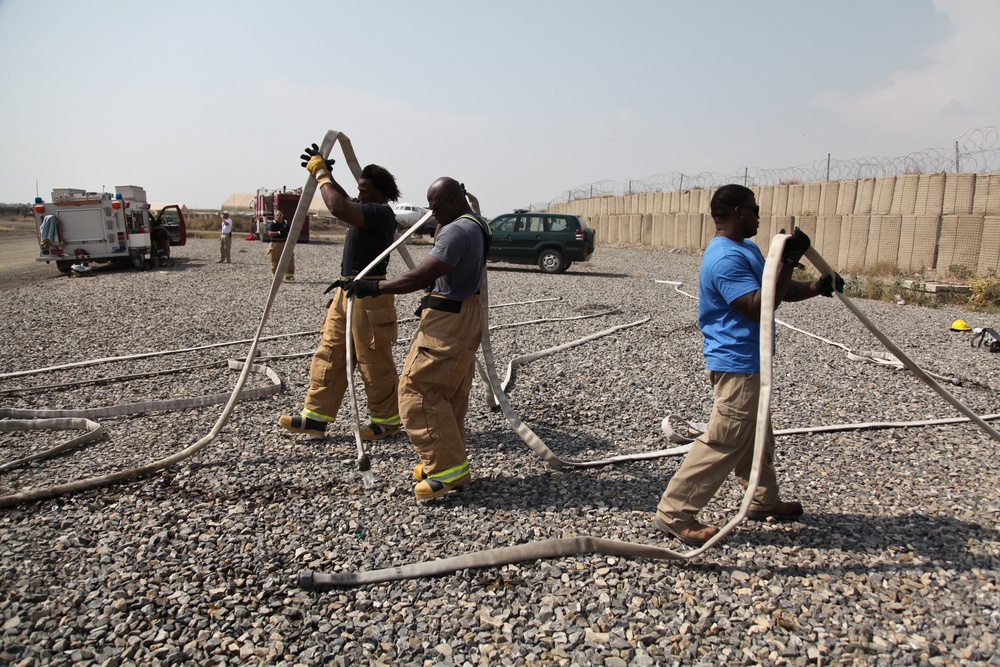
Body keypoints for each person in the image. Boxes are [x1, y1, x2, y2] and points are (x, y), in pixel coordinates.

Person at [654, 184, 843, 546]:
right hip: (737, 361)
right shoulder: (724, 257)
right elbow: (757, 305)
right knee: (725, 439)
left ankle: (762, 500)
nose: (759, 215)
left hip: (751, 360)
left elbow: (780, 289)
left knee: (757, 434)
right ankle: (675, 514)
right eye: (755, 209)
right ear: (739, 211)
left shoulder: (748, 249)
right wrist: (787, 260)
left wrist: (818, 286)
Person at [344, 177, 491, 499]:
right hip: (465, 315)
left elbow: (422, 275)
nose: (431, 213)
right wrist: (441, 218)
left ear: (453, 200)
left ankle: (445, 470)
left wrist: (373, 287)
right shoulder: (472, 223)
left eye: (436, 206)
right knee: (448, 393)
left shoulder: (457, 230)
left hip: (449, 320)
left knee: (417, 390)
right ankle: (447, 460)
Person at [277, 144, 403, 443]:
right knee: (330, 353)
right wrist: (329, 175)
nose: (359, 194)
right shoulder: (366, 207)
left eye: (365, 190)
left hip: (370, 296)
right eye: (359, 189)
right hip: (346, 293)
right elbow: (346, 200)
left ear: (380, 193)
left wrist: (321, 174)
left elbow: (339, 206)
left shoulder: (380, 214)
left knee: (374, 360)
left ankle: (386, 419)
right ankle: (316, 416)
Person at [266, 210, 294, 281]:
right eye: (278, 215)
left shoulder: (286, 223)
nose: (279, 217)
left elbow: (291, 230)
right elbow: (270, 233)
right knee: (275, 260)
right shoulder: (273, 223)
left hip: (285, 242)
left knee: (290, 259)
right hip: (276, 243)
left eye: (281, 215)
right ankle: (275, 276)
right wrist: (279, 232)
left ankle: (289, 275)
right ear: (276, 216)